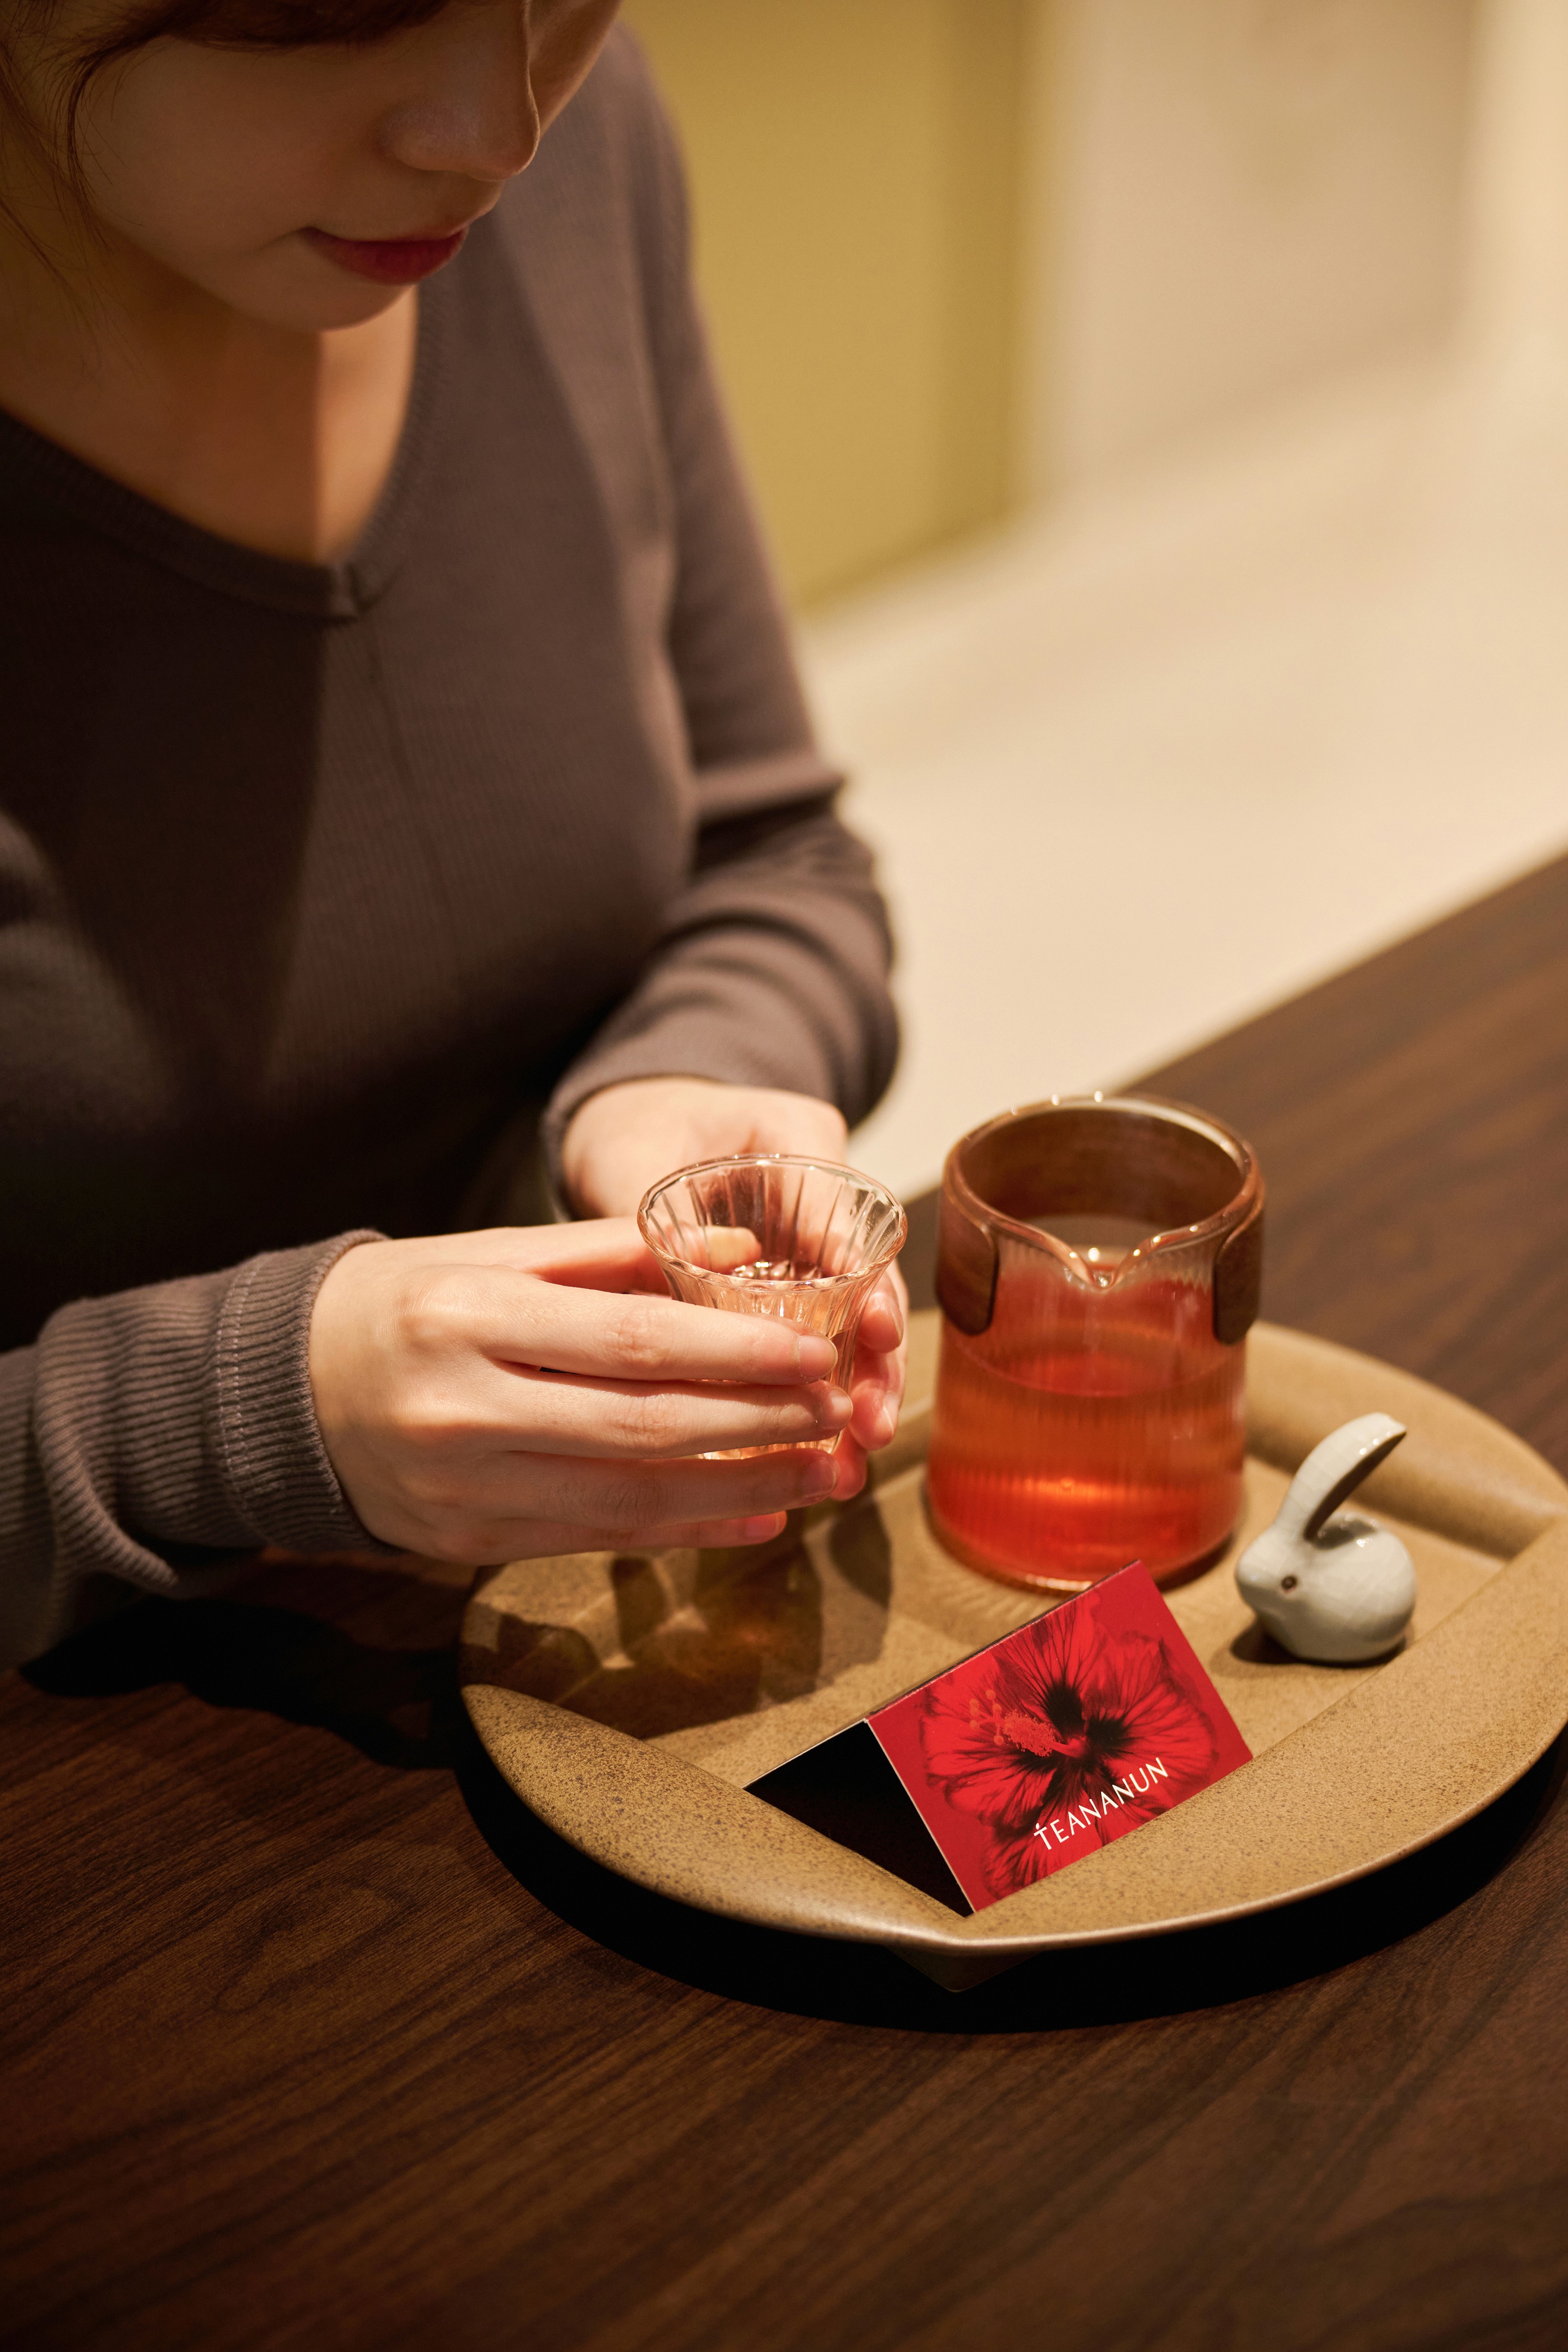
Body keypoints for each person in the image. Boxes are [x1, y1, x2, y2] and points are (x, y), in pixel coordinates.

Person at [0, 0, 905, 1669]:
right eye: (340, 9)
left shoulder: (576, 157)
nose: (498, 134)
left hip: (541, 1643)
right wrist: (247, 1412)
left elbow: (774, 857)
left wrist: (684, 1077)